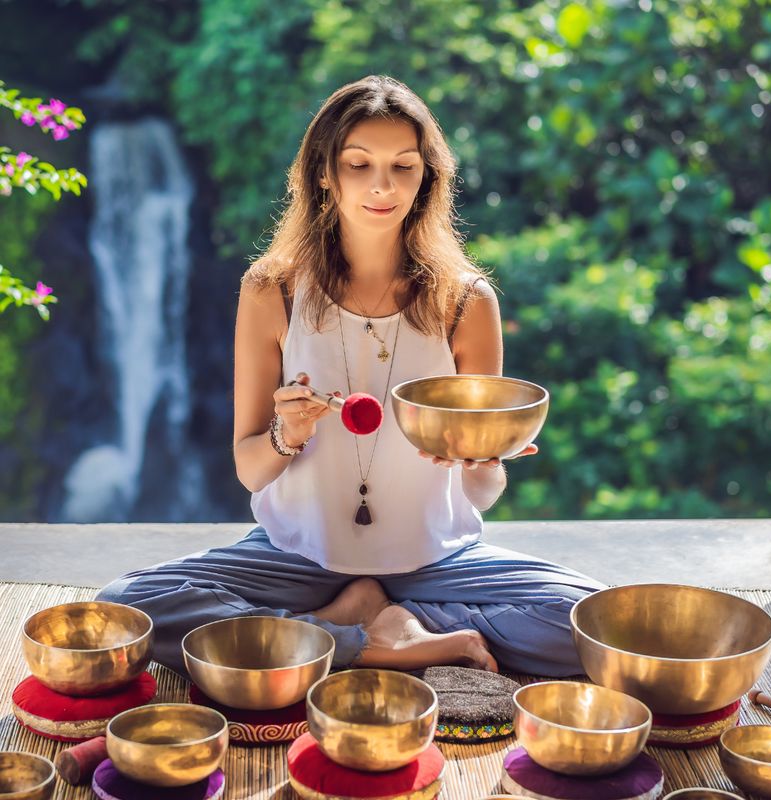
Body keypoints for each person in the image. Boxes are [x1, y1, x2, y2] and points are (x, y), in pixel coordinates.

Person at [97, 75, 605, 678]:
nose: (382, 186)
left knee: (596, 626)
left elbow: (480, 494)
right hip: (298, 556)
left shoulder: (468, 301)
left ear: (428, 177)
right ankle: (371, 638)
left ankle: (358, 621)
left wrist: (483, 460)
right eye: (358, 164)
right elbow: (250, 467)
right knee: (124, 606)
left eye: (403, 167)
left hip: (433, 558)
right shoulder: (272, 289)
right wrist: (287, 434)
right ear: (322, 173)